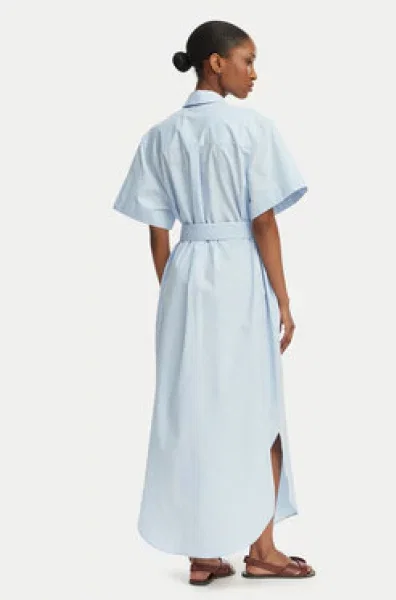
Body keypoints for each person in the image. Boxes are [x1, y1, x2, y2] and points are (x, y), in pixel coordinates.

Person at [113, 19, 315, 585]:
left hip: (185, 274)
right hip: (239, 273)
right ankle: (263, 550)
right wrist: (284, 299)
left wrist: (174, 288)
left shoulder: (159, 135)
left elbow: (157, 230)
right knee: (259, 405)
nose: (254, 73)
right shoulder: (251, 128)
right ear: (215, 63)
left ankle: (201, 555)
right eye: (247, 61)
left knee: (192, 409)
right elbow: (264, 221)